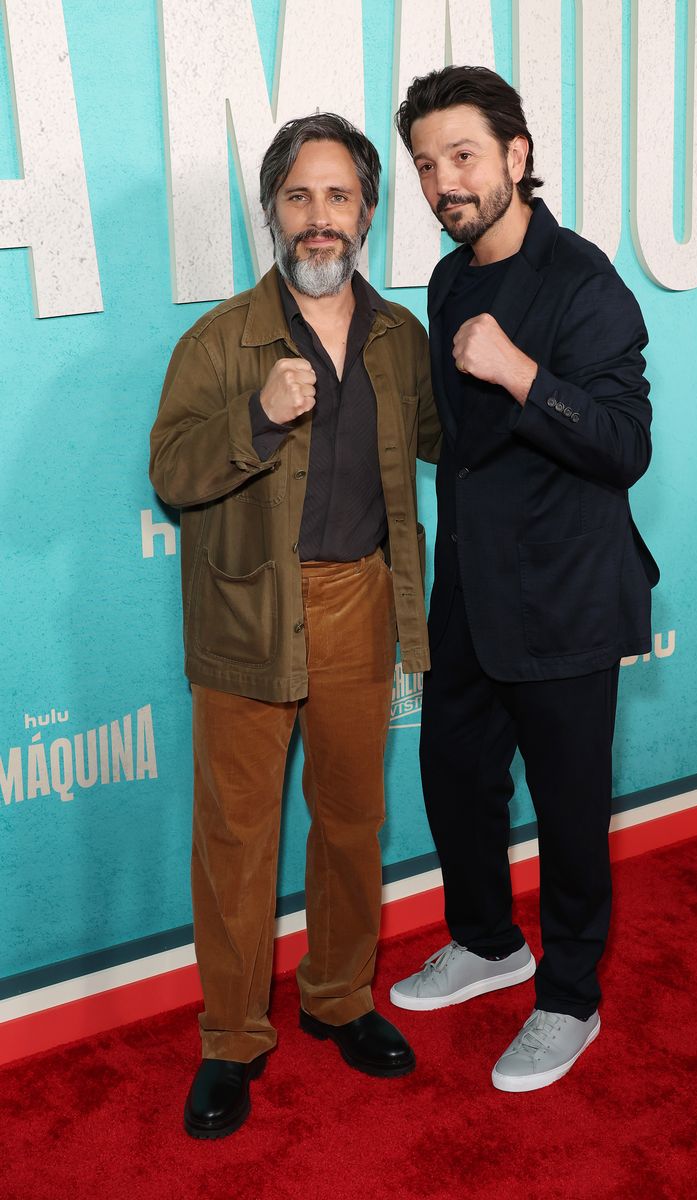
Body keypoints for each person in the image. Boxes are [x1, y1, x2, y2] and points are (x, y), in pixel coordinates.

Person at [150, 112, 440, 1138]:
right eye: (299, 197)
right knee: (236, 839)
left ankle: (339, 998)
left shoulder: (402, 340)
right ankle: (230, 1038)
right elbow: (172, 476)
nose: (321, 220)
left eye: (340, 197)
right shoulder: (220, 338)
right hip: (245, 613)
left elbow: (460, 442)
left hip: (359, 603)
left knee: (353, 821)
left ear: (367, 213)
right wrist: (259, 417)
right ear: (271, 212)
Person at [390, 66, 659, 1092]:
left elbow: (624, 444)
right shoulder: (449, 278)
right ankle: (488, 943)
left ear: (515, 155)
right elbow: (459, 447)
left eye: (461, 155)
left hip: (562, 593)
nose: (442, 180)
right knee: (453, 779)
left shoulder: (587, 284)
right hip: (466, 586)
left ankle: (570, 996)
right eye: (425, 164)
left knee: (569, 807)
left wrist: (521, 375)